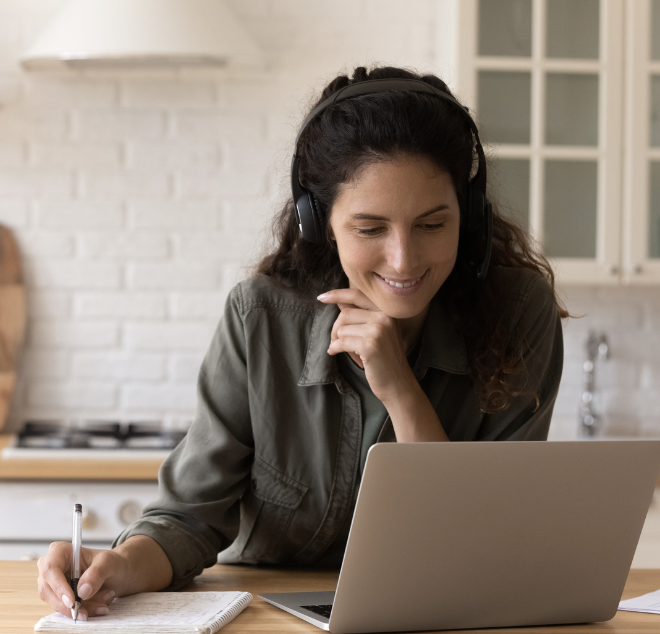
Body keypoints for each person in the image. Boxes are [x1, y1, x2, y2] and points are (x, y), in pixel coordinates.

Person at [36, 65, 567, 620]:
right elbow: (189, 519)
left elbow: (478, 547)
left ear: (470, 213)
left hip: (437, 615)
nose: (404, 260)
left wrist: (401, 391)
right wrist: (115, 567)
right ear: (320, 223)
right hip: (264, 616)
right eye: (369, 229)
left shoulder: (518, 312)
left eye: (433, 225)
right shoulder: (260, 316)